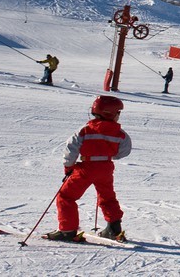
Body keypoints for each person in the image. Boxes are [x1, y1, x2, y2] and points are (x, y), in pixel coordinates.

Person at [43, 96, 131, 242]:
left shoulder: (85, 130)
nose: (118, 116)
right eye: (118, 113)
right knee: (107, 196)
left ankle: (67, 230)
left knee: (66, 196)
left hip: (86, 168)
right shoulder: (120, 134)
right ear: (110, 113)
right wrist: (108, 155)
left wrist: (69, 167)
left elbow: (71, 149)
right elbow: (124, 151)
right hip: (106, 168)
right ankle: (114, 227)